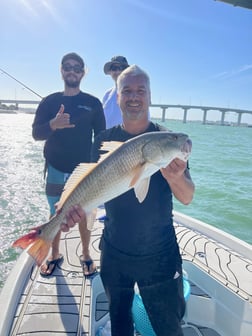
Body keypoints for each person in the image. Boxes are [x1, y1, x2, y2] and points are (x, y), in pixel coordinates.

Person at [62, 65, 195, 336]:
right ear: (118, 97)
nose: (134, 97)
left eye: (140, 91)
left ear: (150, 96)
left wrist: (174, 177)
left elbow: (187, 197)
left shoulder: (165, 137)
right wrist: (71, 208)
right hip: (114, 251)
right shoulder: (103, 140)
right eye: (127, 91)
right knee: (120, 325)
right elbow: (87, 184)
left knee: (169, 328)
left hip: (160, 255)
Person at [32, 52, 105, 277]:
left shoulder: (93, 103)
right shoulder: (49, 102)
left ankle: (85, 254)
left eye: (77, 67)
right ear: (61, 70)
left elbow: (100, 138)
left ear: (83, 73)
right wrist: (53, 124)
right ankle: (55, 255)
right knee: (55, 213)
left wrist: (98, 168)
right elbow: (36, 133)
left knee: (84, 214)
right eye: (68, 67)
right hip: (54, 168)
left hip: (83, 173)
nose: (72, 71)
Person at [102, 55, 129, 128]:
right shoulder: (107, 95)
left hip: (128, 139)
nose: (118, 71)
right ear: (110, 71)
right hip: (106, 138)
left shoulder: (135, 93)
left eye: (122, 68)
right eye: (114, 68)